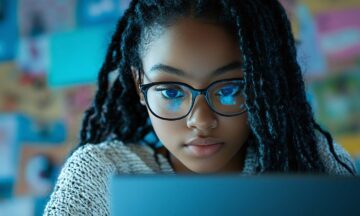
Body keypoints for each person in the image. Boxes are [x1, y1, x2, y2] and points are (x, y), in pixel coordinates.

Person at [44, 0, 357, 215]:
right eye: (170, 91)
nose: (201, 120)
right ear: (139, 85)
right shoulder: (97, 176)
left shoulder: (315, 163)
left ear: (264, 86)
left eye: (231, 89)